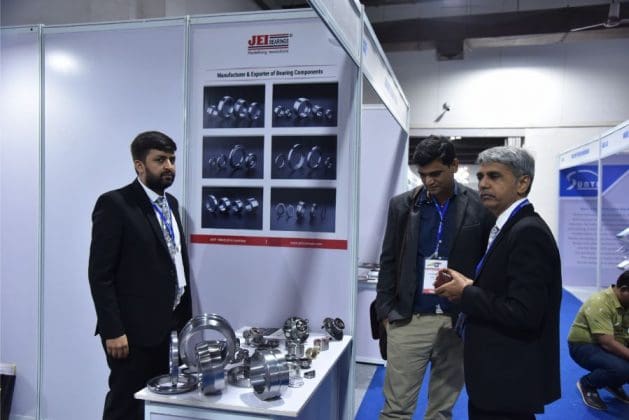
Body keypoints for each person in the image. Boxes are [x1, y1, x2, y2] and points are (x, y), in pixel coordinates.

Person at [435, 146, 562, 419]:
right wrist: (471, 284)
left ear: (522, 183)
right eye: (480, 177)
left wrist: (467, 293)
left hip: (507, 378)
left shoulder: (527, 232)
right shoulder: (510, 225)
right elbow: (507, 290)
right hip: (497, 376)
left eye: (494, 176)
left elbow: (525, 312)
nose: (483, 184)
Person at [375, 136, 494, 420]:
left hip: (457, 322)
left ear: (454, 165)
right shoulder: (402, 205)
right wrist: (386, 312)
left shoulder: (480, 206)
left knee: (441, 412)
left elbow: (488, 264)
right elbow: (388, 259)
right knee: (395, 411)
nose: (429, 181)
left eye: (436, 173)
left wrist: (477, 312)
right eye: (423, 174)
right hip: (409, 319)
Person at [88, 131, 192, 420]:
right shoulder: (115, 204)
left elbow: (173, 262)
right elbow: (100, 274)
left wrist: (184, 322)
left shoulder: (171, 204)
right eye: (160, 160)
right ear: (139, 165)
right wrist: (113, 330)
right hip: (131, 333)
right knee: (126, 405)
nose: (169, 166)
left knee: (158, 407)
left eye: (172, 159)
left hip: (169, 326)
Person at [568, 271, 629, 411]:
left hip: (614, 341)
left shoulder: (626, 301)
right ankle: (587, 384)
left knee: (623, 369)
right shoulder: (599, 302)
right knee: (622, 369)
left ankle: (613, 382)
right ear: (624, 289)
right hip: (584, 345)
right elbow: (607, 343)